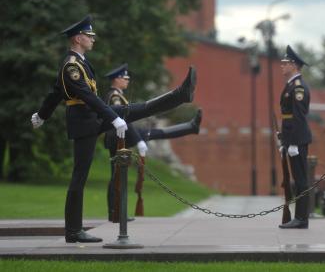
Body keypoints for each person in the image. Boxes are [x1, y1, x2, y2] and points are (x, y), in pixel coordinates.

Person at [30, 15, 197, 243]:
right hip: (84, 124)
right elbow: (87, 96)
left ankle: (179, 95)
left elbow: (54, 93)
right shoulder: (71, 66)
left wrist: (41, 115)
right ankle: (73, 231)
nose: (93, 39)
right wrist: (112, 117)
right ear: (78, 38)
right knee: (79, 177)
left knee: (132, 110)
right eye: (90, 36)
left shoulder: (79, 62)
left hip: (92, 118)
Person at [103, 63, 202, 221]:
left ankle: (190, 127)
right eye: (125, 78)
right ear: (116, 80)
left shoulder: (117, 95)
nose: (127, 80)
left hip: (121, 136)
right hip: (117, 138)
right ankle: (115, 213)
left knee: (152, 134)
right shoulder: (114, 96)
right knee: (116, 176)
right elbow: (123, 121)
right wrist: (138, 140)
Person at [278, 45, 312, 229]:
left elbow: (298, 117)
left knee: (300, 180)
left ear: (294, 65)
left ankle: (301, 218)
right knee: (297, 179)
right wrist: (284, 140)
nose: (282, 66)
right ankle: (299, 217)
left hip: (298, 141)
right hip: (292, 139)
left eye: (285, 63)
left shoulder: (298, 88)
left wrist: (294, 144)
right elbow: (287, 117)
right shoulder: (291, 85)